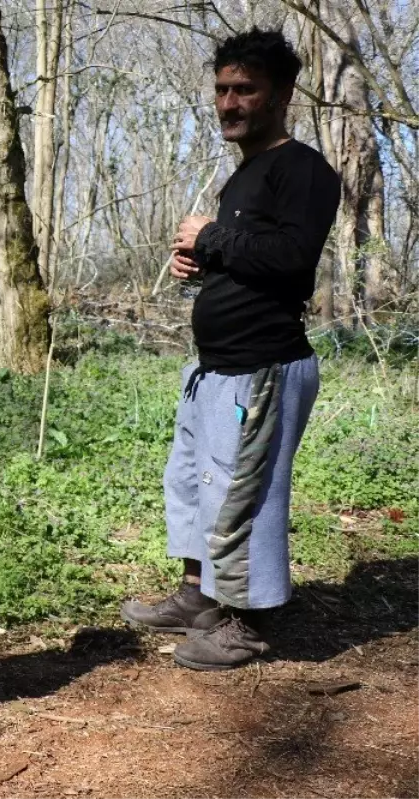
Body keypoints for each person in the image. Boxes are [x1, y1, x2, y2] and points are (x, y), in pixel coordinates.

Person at [120, 29, 341, 671]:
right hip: (215, 370)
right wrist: (203, 265)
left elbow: (295, 259)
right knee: (193, 483)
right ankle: (198, 597)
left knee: (245, 495)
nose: (228, 102)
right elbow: (250, 259)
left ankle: (244, 622)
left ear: (281, 95)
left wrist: (213, 239)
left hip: (263, 367)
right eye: (221, 89)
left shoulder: (303, 170)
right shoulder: (244, 176)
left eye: (244, 89)